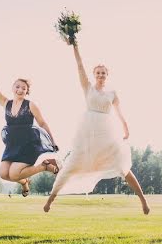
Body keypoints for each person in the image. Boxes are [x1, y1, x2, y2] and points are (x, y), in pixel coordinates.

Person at [44, 40, 149, 215]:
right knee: (71, 165)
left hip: (106, 133)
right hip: (87, 132)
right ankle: (50, 200)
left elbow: (120, 112)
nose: (100, 75)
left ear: (107, 75)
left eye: (103, 73)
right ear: (94, 75)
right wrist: (75, 46)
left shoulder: (112, 93)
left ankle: (143, 201)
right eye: (98, 73)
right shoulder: (88, 88)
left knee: (122, 167)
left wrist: (126, 128)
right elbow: (79, 66)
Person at [0, 58, 59, 197]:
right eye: (17, 86)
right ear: (12, 87)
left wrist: (53, 141)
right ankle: (24, 182)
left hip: (28, 143)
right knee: (4, 174)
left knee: (14, 173)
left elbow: (42, 123)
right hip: (12, 144)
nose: (20, 89)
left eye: (24, 88)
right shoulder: (6, 103)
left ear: (27, 92)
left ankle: (44, 166)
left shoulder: (30, 105)